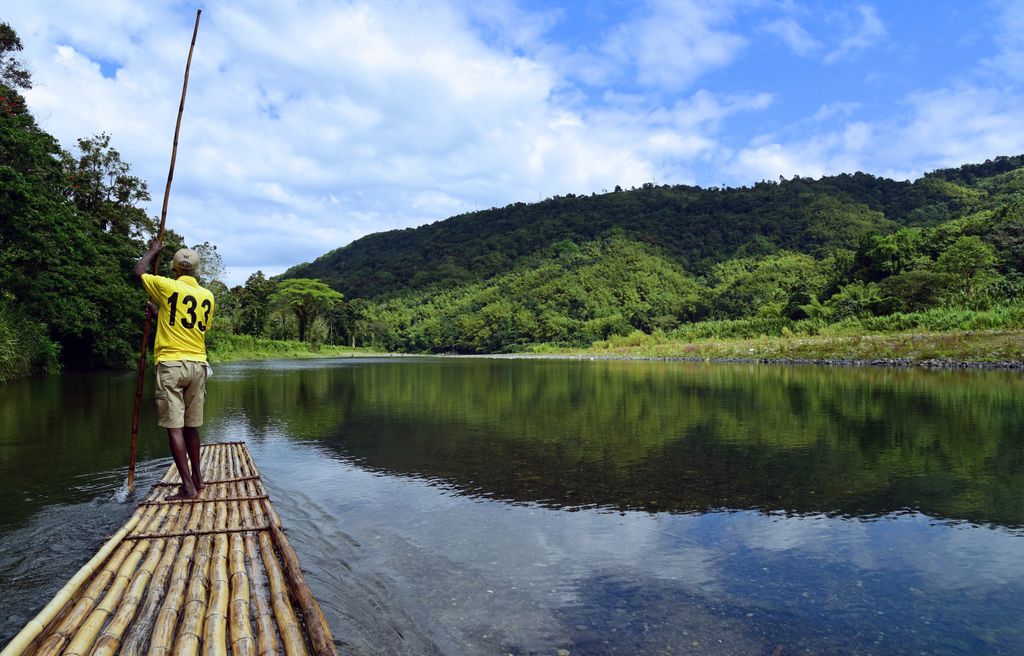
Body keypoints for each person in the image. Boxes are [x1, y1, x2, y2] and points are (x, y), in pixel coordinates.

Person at [133, 239, 216, 500]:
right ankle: (198, 480)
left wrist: (153, 251)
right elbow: (192, 326)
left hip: (171, 364)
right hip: (198, 366)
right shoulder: (207, 296)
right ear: (196, 270)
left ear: (174, 269)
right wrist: (160, 314)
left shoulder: (167, 286)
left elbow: (139, 272)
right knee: (191, 426)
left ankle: (188, 488)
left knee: (175, 428)